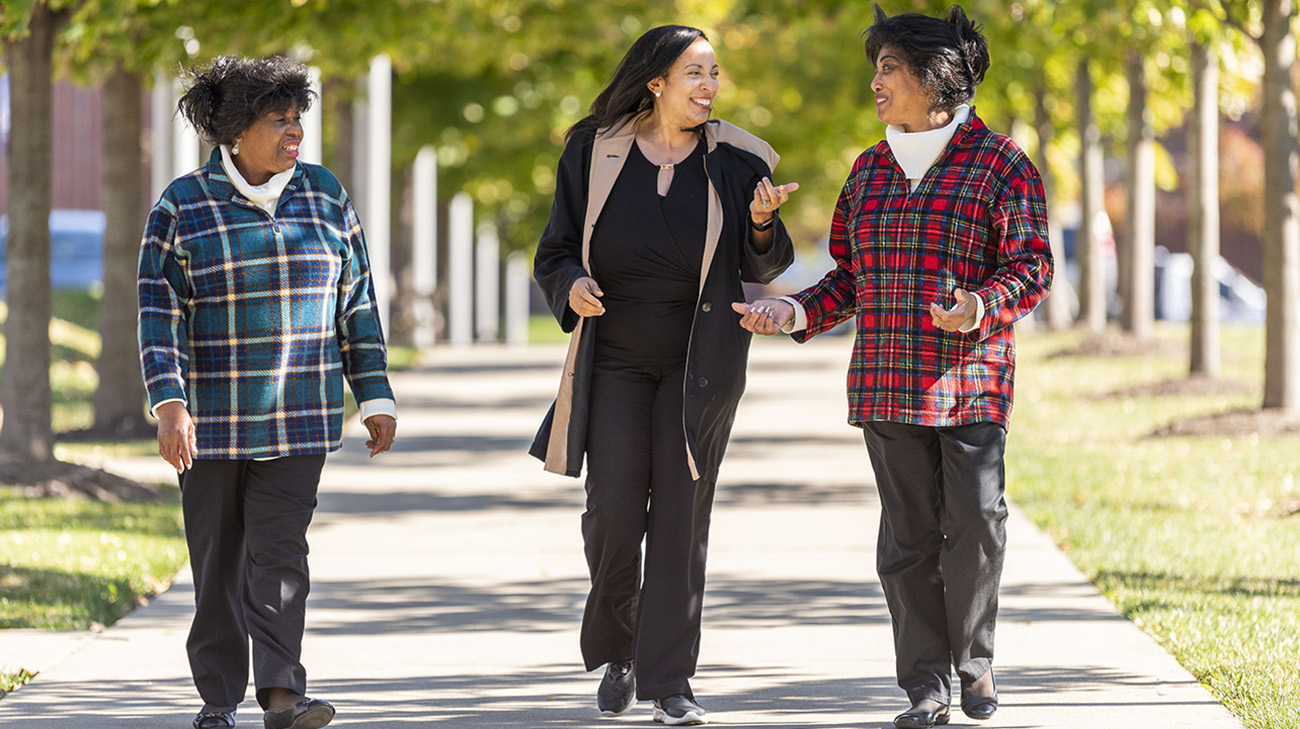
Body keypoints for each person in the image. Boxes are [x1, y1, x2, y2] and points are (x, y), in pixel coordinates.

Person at [734, 6, 1052, 729]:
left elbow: (1033, 265)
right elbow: (849, 277)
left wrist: (977, 305)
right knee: (906, 538)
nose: (875, 81)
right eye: (876, 66)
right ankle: (926, 684)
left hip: (971, 382)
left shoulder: (1000, 162)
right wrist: (794, 312)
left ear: (935, 79)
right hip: (885, 380)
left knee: (976, 521)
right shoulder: (870, 170)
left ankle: (974, 662)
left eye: (889, 67)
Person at [530, 25, 797, 727]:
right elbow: (554, 249)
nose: (709, 86)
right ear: (656, 81)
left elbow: (761, 266)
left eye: (714, 74)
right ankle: (619, 649)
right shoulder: (594, 149)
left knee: (680, 522)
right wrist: (573, 285)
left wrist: (764, 225)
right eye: (696, 73)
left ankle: (670, 679)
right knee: (614, 517)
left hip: (697, 367)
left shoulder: (739, 162)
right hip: (613, 358)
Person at [138, 56, 397, 729]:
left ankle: (283, 694)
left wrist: (374, 394)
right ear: (234, 131)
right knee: (219, 562)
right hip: (212, 423)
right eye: (278, 120)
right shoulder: (183, 204)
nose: (294, 132)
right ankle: (218, 700)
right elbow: (158, 311)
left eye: (297, 118)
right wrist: (170, 402)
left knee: (280, 557)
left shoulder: (325, 194)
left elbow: (357, 303)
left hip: (301, 419)